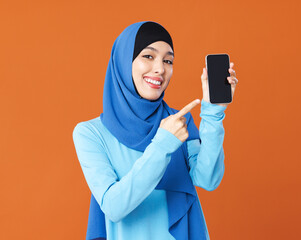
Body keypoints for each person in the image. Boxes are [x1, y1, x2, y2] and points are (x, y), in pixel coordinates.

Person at [73, 21, 238, 240]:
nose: (160, 68)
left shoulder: (179, 121)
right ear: (124, 61)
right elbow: (114, 207)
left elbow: (208, 179)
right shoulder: (90, 133)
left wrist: (213, 113)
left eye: (168, 60)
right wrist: (163, 143)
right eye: (148, 56)